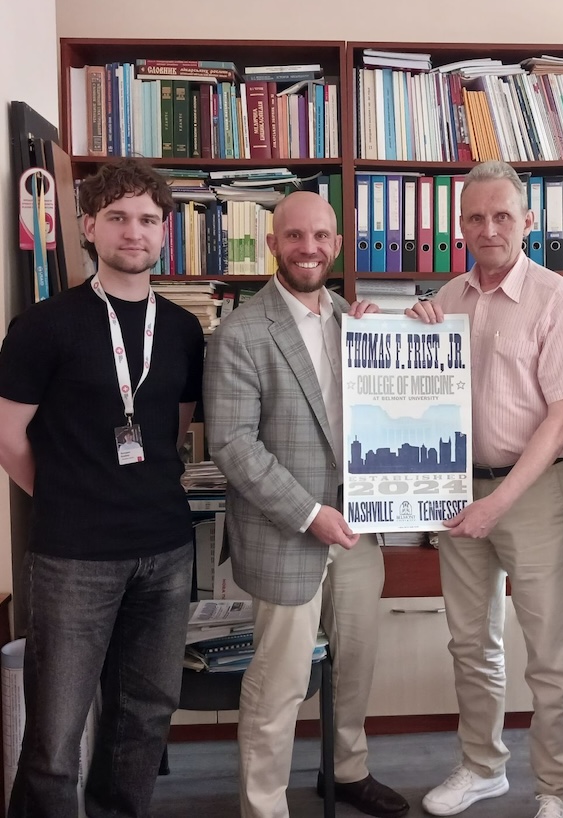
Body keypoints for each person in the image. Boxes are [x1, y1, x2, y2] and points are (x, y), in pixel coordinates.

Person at [0, 157, 205, 817]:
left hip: (167, 552)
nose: (134, 231)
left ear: (165, 230)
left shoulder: (181, 329)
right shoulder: (41, 327)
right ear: (89, 226)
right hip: (74, 559)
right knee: (57, 736)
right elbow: (8, 438)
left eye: (148, 219)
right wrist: (66, 497)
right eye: (117, 217)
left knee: (145, 715)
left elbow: (171, 429)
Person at [407, 161, 563, 818]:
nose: (488, 229)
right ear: (460, 225)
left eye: (501, 216)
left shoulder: (559, 299)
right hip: (457, 489)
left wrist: (498, 502)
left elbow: (562, 419)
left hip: (537, 495)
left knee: (550, 655)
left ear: (527, 222)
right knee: (471, 642)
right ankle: (481, 766)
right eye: (475, 217)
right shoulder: (447, 297)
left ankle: (556, 790)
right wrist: (400, 334)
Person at [203, 190, 409, 818]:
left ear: (338, 245)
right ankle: (264, 805)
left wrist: (415, 334)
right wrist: (309, 514)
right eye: (294, 237)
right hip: (286, 534)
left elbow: (395, 412)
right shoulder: (241, 332)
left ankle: (346, 772)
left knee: (355, 666)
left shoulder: (359, 322)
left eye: (320, 236)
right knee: (280, 683)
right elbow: (234, 447)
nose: (308, 248)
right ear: (273, 245)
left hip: (359, 531)